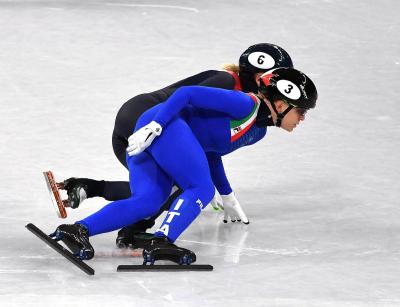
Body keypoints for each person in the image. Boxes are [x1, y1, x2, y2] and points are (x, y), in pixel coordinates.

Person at [50, 67, 318, 264]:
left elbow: (211, 154)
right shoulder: (244, 104)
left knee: (148, 201)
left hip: (161, 130)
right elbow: (187, 94)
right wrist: (157, 125)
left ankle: (77, 230)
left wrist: (227, 194)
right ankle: (162, 241)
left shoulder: (257, 132)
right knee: (200, 189)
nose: (302, 119)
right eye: (301, 111)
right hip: (161, 126)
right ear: (281, 103)